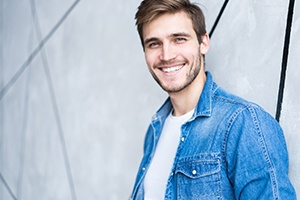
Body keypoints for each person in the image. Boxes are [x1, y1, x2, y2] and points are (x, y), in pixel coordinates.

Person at [130, 0, 296, 199]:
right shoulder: (155, 129)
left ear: (203, 43)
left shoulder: (243, 123)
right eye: (154, 43)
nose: (167, 55)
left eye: (179, 39)